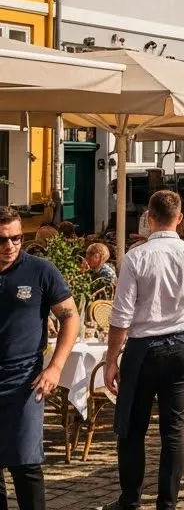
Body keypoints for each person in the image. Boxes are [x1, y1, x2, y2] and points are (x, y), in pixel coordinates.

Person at [103, 190, 184, 510]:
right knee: (173, 431)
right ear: (180, 219)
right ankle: (167, 503)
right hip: (181, 345)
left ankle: (130, 498)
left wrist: (112, 360)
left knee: (131, 427)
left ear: (149, 218)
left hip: (143, 349)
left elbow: (120, 316)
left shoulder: (136, 258)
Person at [0, 206, 79, 510]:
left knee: (25, 463)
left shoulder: (41, 271)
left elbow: (70, 318)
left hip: (26, 381)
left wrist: (56, 367)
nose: (10, 246)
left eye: (17, 238)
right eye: (3, 240)